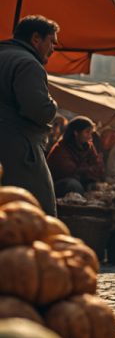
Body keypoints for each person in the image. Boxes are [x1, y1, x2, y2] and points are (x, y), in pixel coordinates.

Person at [0, 15, 60, 215]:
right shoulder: (28, 64)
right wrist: (53, 104)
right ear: (36, 39)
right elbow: (40, 111)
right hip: (17, 152)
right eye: (51, 41)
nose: (53, 48)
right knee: (37, 213)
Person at [46, 116, 104, 197]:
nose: (90, 137)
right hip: (57, 186)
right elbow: (70, 171)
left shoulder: (88, 146)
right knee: (73, 185)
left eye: (91, 133)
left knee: (98, 188)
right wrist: (88, 169)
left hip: (82, 181)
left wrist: (90, 171)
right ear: (76, 133)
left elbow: (97, 167)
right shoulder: (61, 148)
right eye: (87, 132)